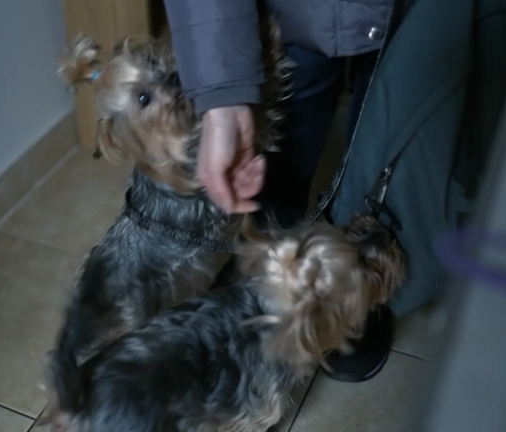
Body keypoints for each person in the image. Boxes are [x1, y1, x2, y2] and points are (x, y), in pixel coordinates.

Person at [162, 0, 410, 382]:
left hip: (412, 17)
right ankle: (279, 267)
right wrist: (223, 95)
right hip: (297, 12)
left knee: (386, 153)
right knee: (282, 156)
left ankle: (360, 283)